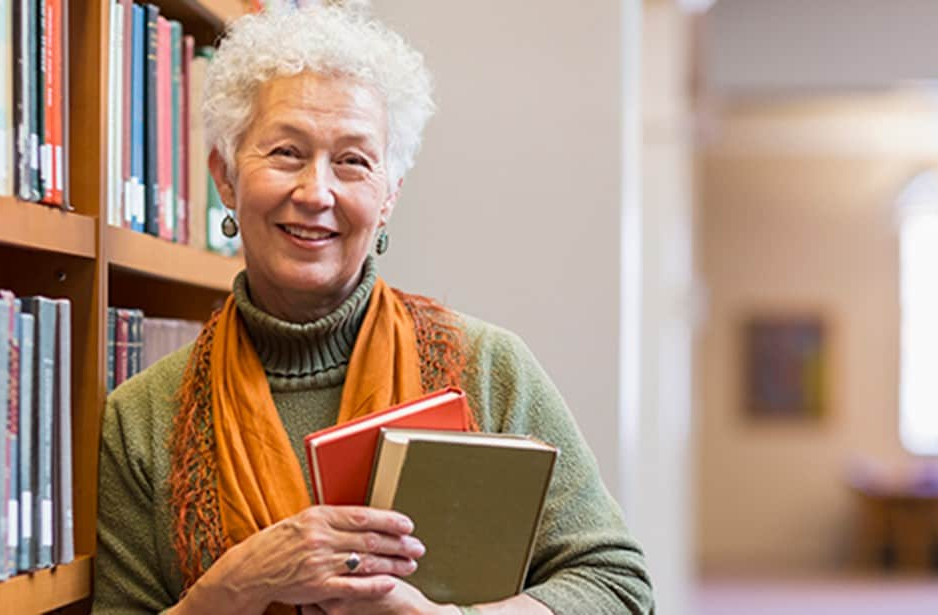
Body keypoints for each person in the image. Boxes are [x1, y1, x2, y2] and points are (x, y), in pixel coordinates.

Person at [93, 5, 654, 614]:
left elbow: (616, 586)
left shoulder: (489, 369)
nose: (315, 192)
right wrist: (233, 588)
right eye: (285, 151)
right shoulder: (144, 417)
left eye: (353, 161)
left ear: (388, 197)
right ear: (225, 178)